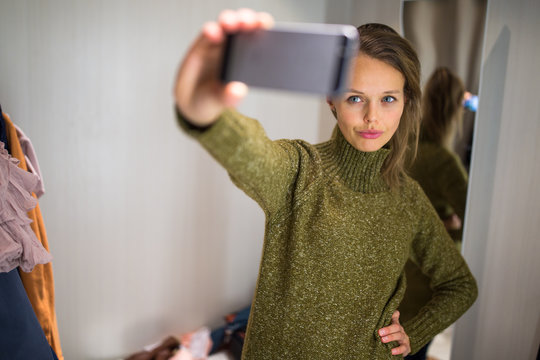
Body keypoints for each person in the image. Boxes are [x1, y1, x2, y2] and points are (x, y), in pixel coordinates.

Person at [174, 9, 477, 359]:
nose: (372, 117)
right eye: (355, 97)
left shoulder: (409, 200)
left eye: (388, 99)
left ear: (406, 101)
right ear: (332, 100)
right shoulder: (302, 171)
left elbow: (460, 286)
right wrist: (206, 111)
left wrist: (412, 334)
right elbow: (252, 154)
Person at [399, 67, 471, 360]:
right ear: (455, 110)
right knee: (411, 346)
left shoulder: (403, 149)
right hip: (424, 275)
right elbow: (475, 224)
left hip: (395, 267)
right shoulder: (444, 163)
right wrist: (448, 226)